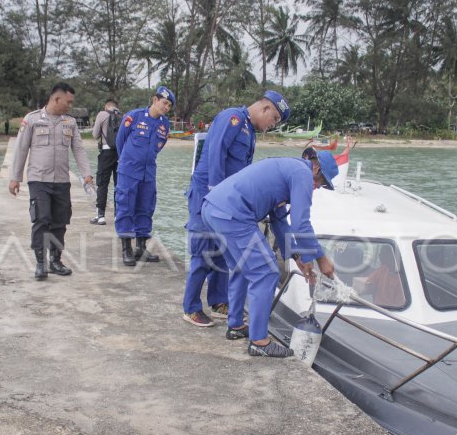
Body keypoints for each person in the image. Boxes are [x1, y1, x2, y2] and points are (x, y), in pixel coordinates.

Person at [200, 149, 338, 357]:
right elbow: (301, 224)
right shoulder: (302, 173)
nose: (318, 186)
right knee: (266, 272)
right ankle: (259, 342)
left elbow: (280, 221)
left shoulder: (286, 167)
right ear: (315, 167)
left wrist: (298, 257)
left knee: (241, 268)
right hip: (233, 214)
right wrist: (321, 258)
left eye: (323, 185)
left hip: (213, 209)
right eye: (321, 181)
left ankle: (236, 326)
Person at [182, 91, 290, 328]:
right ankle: (191, 307)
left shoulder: (249, 132)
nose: (270, 126)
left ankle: (219, 301)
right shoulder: (232, 118)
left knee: (222, 251)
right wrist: (216, 195)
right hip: (207, 196)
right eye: (273, 120)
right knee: (203, 252)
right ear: (265, 109)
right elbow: (216, 155)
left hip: (227, 203)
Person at [8, 82, 94, 280]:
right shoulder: (32, 120)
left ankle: (55, 260)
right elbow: (21, 149)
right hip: (39, 180)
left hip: (62, 181)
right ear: (57, 99)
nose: (70, 106)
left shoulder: (70, 123)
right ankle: (40, 263)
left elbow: (78, 149)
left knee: (60, 222)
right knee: (41, 219)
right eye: (68, 102)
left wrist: (86, 174)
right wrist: (15, 178)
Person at [114, 86, 174, 266]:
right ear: (154, 100)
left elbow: (159, 145)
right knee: (125, 206)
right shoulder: (134, 116)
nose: (166, 107)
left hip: (148, 172)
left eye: (169, 105)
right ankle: (126, 248)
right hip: (129, 171)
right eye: (164, 103)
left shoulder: (165, 124)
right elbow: (120, 141)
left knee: (146, 207)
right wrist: (128, 161)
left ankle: (141, 247)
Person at [90, 99, 121, 225]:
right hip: (120, 154)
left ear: (106, 106)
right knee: (119, 185)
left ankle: (100, 215)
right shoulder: (122, 116)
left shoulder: (102, 115)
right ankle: (118, 215)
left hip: (106, 153)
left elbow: (95, 134)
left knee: (102, 183)